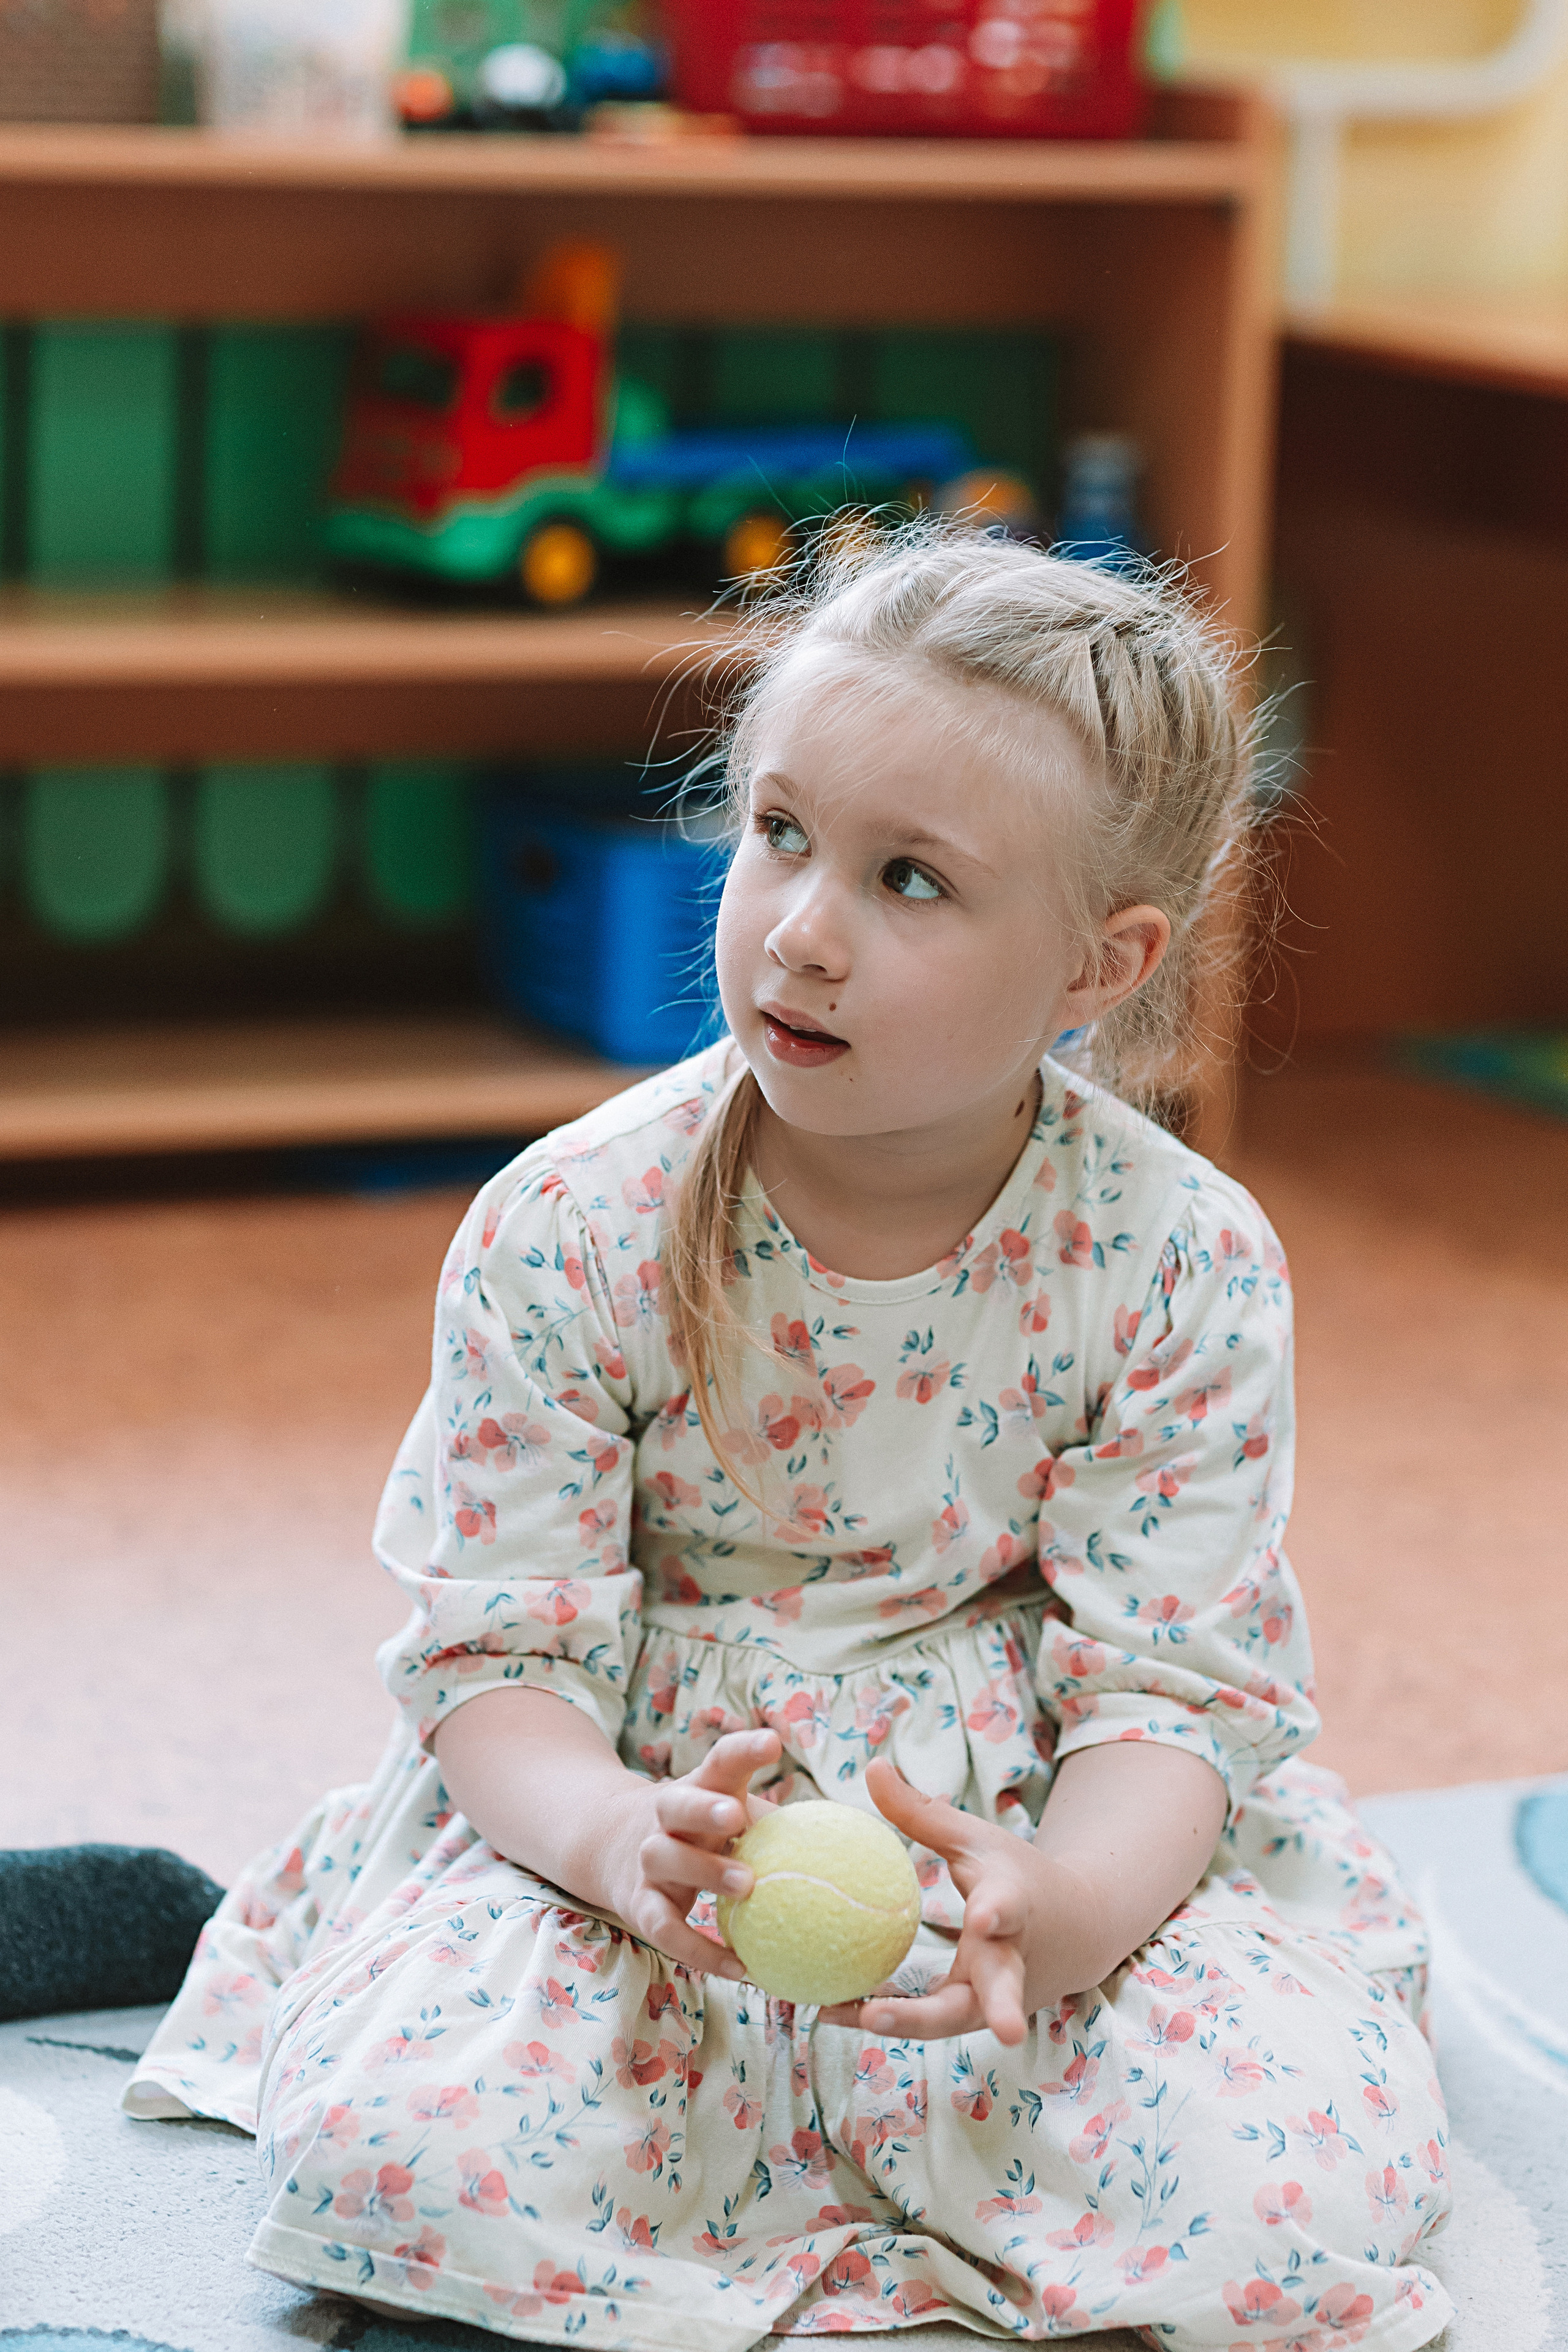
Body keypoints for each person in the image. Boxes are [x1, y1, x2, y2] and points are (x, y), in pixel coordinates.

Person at [126, 529, 1452, 2348]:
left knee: (1290, 2189)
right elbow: (495, 1659)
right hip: (653, 1824)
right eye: (777, 833)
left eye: (911, 880)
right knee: (386, 2157)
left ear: (1100, 960)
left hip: (1028, 1823)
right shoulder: (570, 1222)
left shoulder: (1181, 1259)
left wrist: (1061, 1911)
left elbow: (1172, 1698)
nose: (802, 929)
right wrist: (606, 1841)